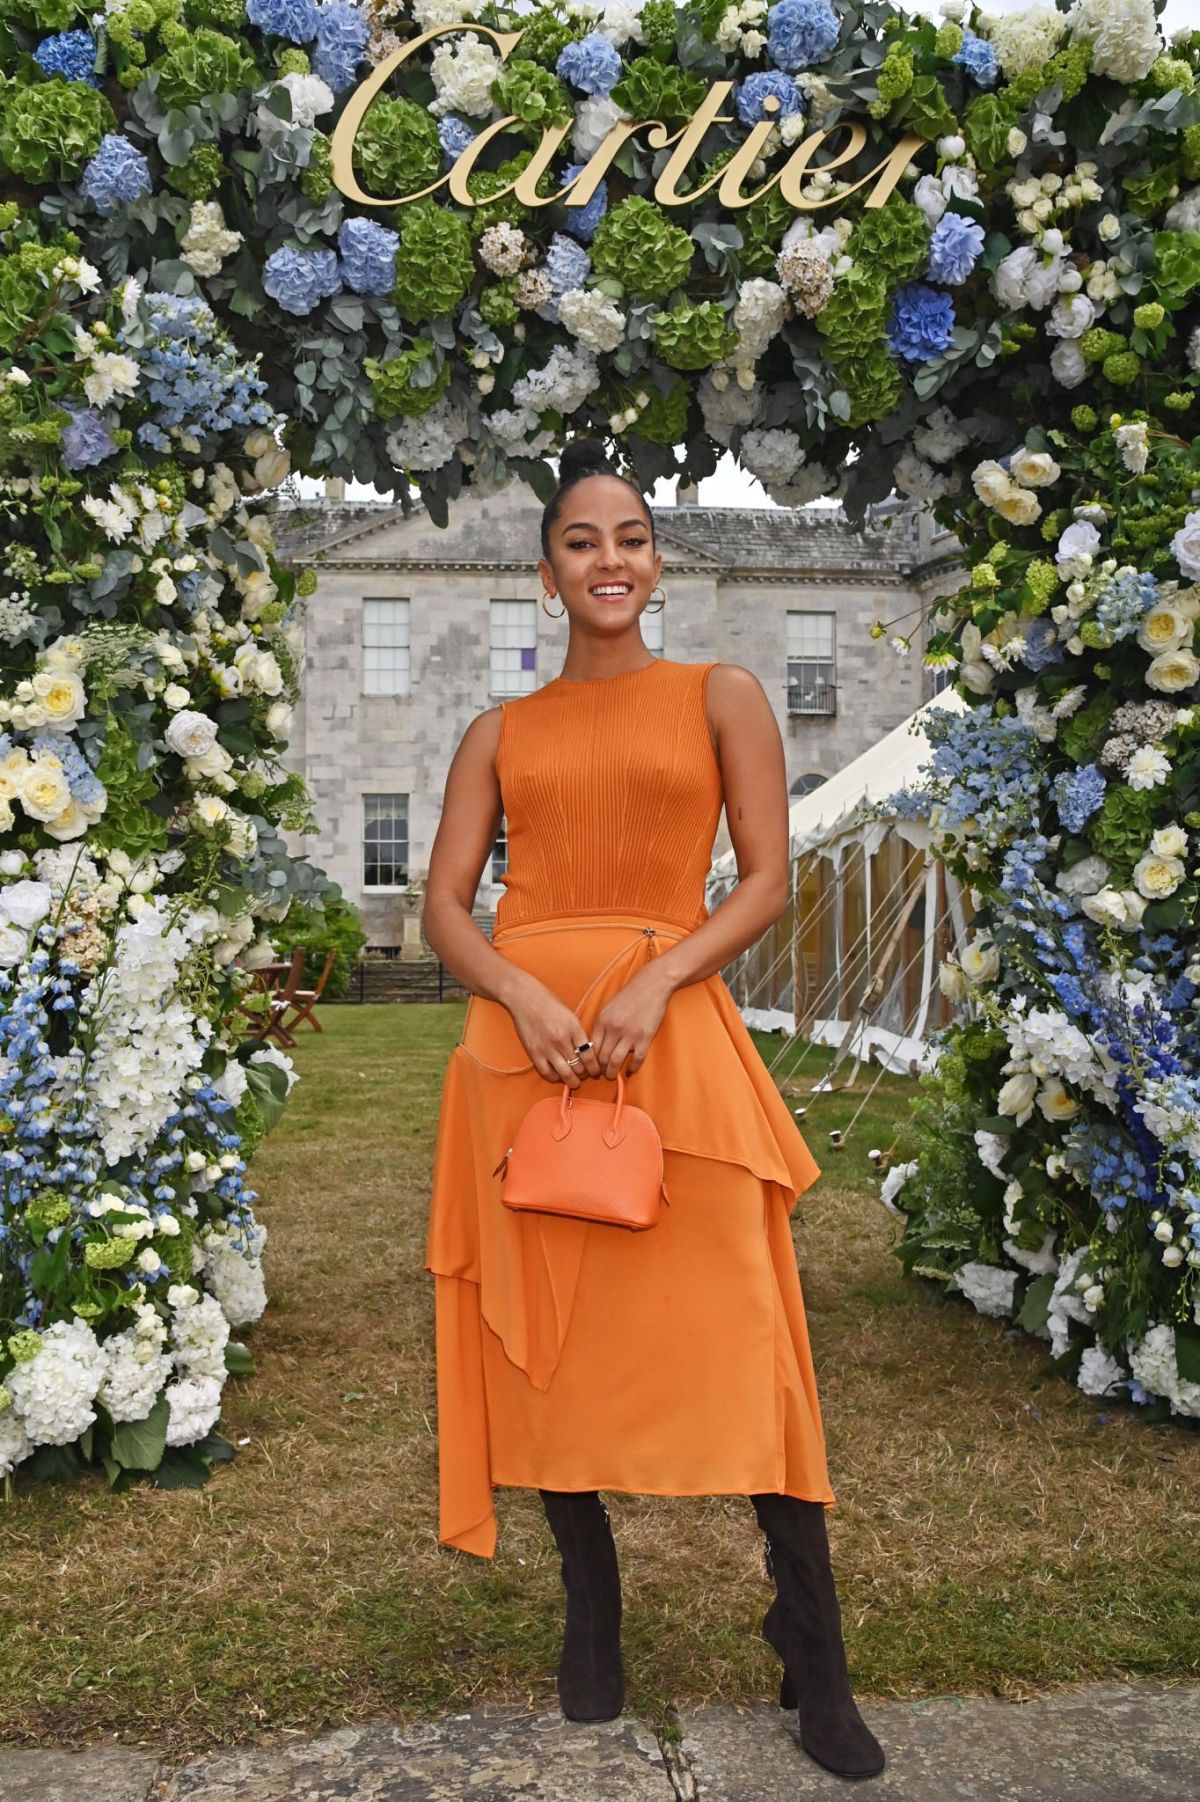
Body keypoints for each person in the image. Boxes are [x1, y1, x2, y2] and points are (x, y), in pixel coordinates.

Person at [421, 435, 885, 1782]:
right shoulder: (499, 729)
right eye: (582, 540)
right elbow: (448, 905)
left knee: (751, 1344)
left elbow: (765, 879)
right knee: (555, 1349)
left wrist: (661, 973)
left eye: (630, 536)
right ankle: (592, 1609)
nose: (609, 559)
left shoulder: (721, 690)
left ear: (657, 560)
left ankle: (812, 1648)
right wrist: (517, 992)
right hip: (527, 1057)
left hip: (671, 1039)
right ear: (548, 569)